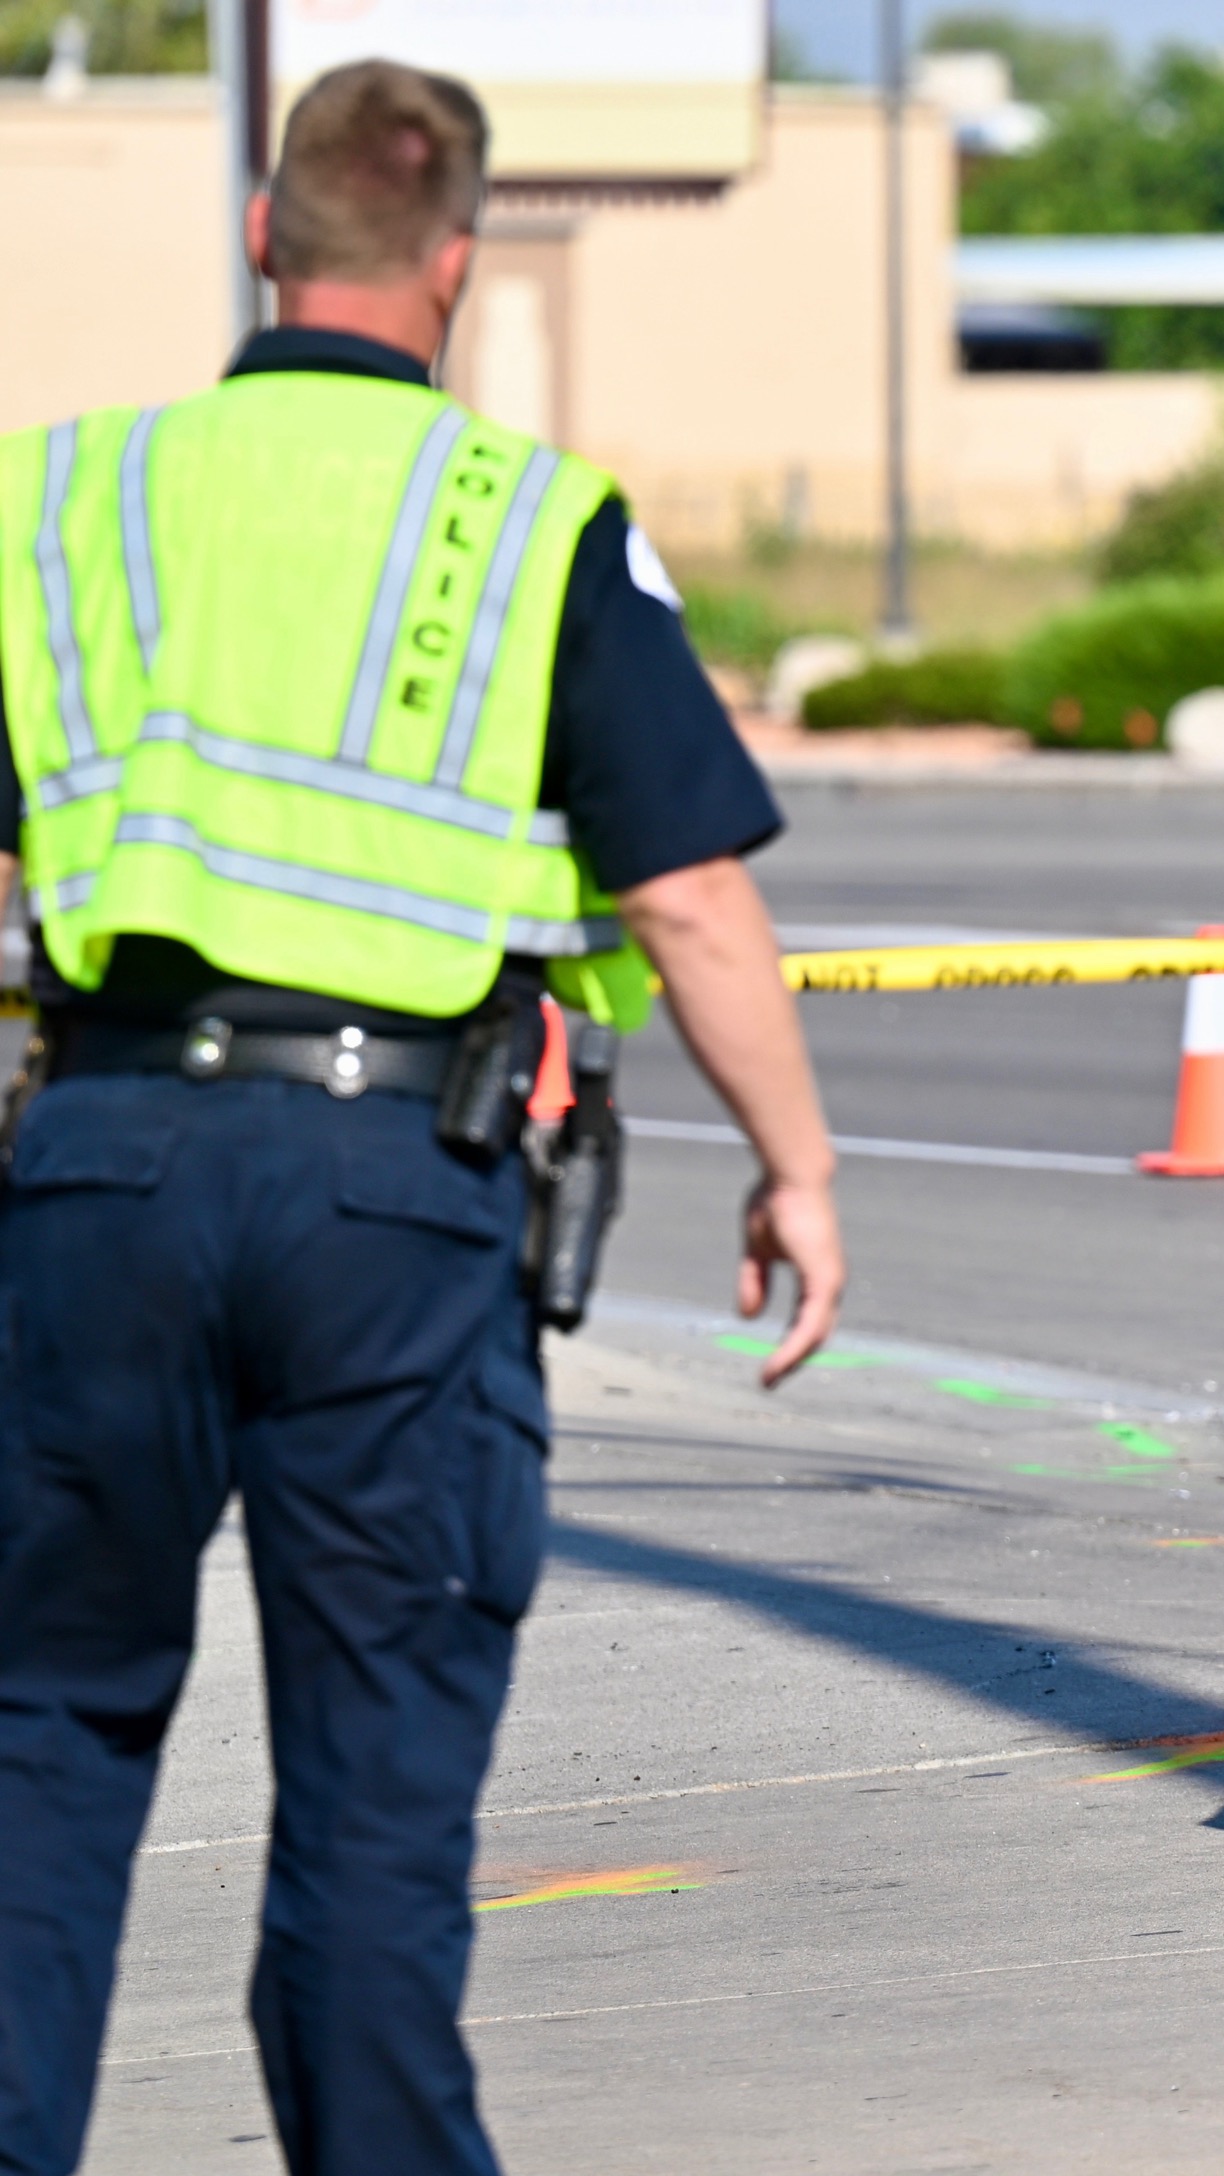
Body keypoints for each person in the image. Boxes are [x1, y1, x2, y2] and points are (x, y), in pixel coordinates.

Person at [0, 62, 843, 2176]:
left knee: (41, 1739)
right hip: (391, 1191)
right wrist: (799, 1168)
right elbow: (687, 889)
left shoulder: (59, 499)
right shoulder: (527, 518)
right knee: (372, 1784)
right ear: (455, 266)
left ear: (264, 238)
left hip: (97, 1164)